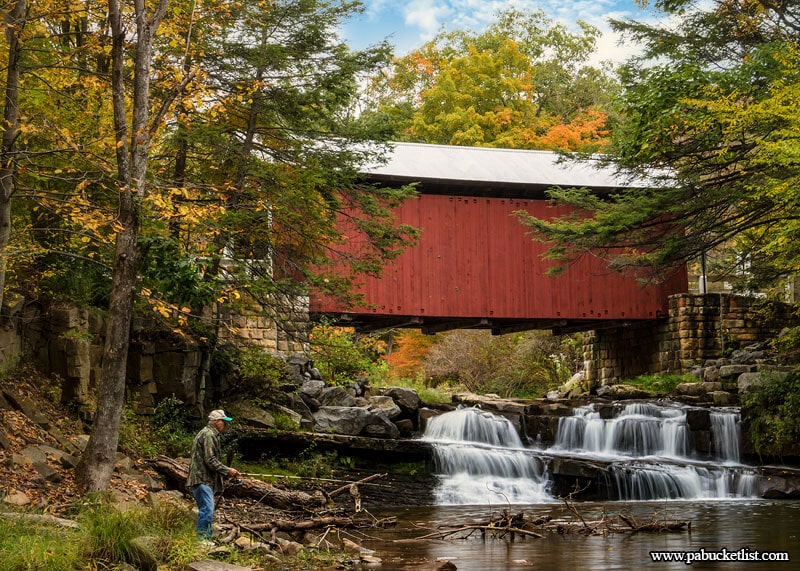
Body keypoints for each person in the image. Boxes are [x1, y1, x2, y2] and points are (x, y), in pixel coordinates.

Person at [187, 409, 240, 540]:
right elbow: (210, 460)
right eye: (223, 421)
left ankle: (206, 539)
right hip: (201, 479)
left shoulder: (209, 434)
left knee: (206, 510)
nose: (224, 424)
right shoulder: (209, 435)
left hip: (203, 479)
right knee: (208, 510)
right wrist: (228, 470)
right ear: (216, 422)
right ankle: (202, 540)